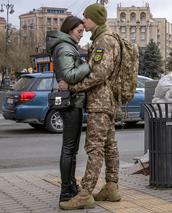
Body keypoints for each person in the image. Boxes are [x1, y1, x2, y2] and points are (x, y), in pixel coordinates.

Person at [59, 3, 122, 210]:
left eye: (86, 17)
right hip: (108, 101)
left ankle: (85, 193)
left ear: (95, 19)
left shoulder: (104, 40)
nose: (83, 21)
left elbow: (99, 74)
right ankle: (111, 187)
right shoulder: (106, 38)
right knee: (109, 145)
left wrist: (75, 86)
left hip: (100, 102)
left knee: (94, 147)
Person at [46, 16, 91, 204]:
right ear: (70, 29)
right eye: (79, 31)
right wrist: (89, 66)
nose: (81, 35)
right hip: (71, 103)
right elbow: (70, 76)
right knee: (69, 149)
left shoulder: (67, 46)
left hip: (73, 101)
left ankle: (71, 185)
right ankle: (66, 191)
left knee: (71, 150)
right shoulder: (65, 48)